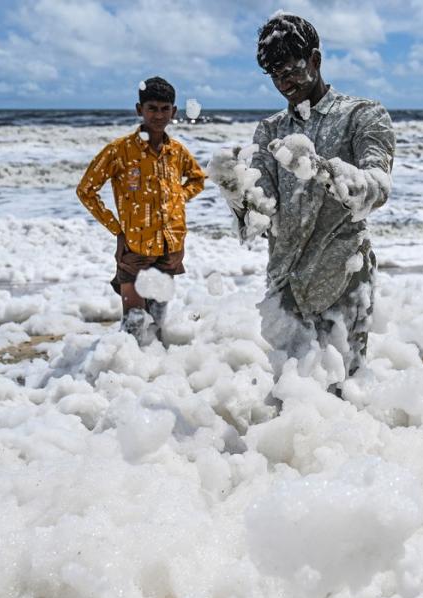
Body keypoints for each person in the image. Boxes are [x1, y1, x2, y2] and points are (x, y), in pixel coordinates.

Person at [214, 13, 395, 388]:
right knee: (292, 397)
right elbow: (261, 214)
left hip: (342, 276)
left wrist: (325, 171)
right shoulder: (270, 130)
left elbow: (377, 187)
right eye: (276, 76)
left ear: (315, 59)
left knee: (346, 391)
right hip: (285, 285)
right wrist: (235, 190)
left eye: (292, 70)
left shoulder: (362, 115)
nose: (285, 83)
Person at [77, 76, 206, 343]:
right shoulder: (119, 151)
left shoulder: (177, 152)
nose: (158, 115)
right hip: (134, 247)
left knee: (157, 322)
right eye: (152, 108)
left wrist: (178, 198)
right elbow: (86, 190)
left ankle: (153, 377)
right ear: (139, 110)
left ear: (174, 111)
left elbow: (198, 179)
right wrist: (117, 229)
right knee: (134, 322)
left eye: (164, 109)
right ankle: (124, 376)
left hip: (171, 247)